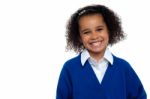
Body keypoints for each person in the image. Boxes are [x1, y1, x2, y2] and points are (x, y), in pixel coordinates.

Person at [56, 4, 147, 99]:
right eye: (87, 32)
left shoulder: (124, 67)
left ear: (109, 30)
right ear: (79, 37)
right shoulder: (70, 68)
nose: (94, 36)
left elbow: (139, 96)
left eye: (99, 29)